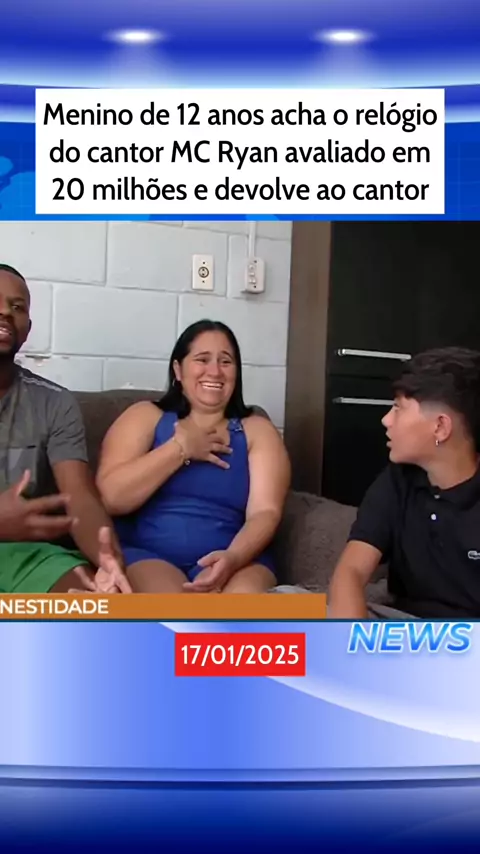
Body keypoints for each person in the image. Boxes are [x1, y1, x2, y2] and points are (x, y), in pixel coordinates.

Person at [96, 319, 291, 593]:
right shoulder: (144, 416)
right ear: (178, 369)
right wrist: (180, 449)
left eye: (226, 361)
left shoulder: (258, 430)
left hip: (235, 556)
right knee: (177, 611)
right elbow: (111, 498)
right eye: (202, 359)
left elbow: (265, 512)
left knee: (241, 611)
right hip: (149, 554)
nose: (215, 371)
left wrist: (233, 558)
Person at [0, 263, 131, 594]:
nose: (5, 312)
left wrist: (107, 560)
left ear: (27, 329)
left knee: (92, 607)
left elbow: (79, 498)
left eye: (17, 307)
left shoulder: (55, 403)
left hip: (30, 558)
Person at [328, 347, 480, 620]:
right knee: (272, 608)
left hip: (468, 638)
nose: (386, 420)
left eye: (398, 408)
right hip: (399, 626)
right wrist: (350, 638)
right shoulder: (398, 480)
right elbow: (351, 572)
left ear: (440, 427)